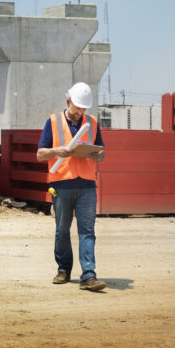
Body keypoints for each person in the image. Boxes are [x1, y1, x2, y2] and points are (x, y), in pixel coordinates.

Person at [36, 82, 107, 291]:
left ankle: (89, 275)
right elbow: (40, 154)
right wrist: (57, 151)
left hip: (86, 184)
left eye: (84, 108)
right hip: (61, 183)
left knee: (87, 231)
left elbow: (101, 151)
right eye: (77, 107)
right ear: (68, 102)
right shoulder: (53, 121)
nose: (80, 112)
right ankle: (64, 270)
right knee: (62, 230)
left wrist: (99, 155)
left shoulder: (92, 123)